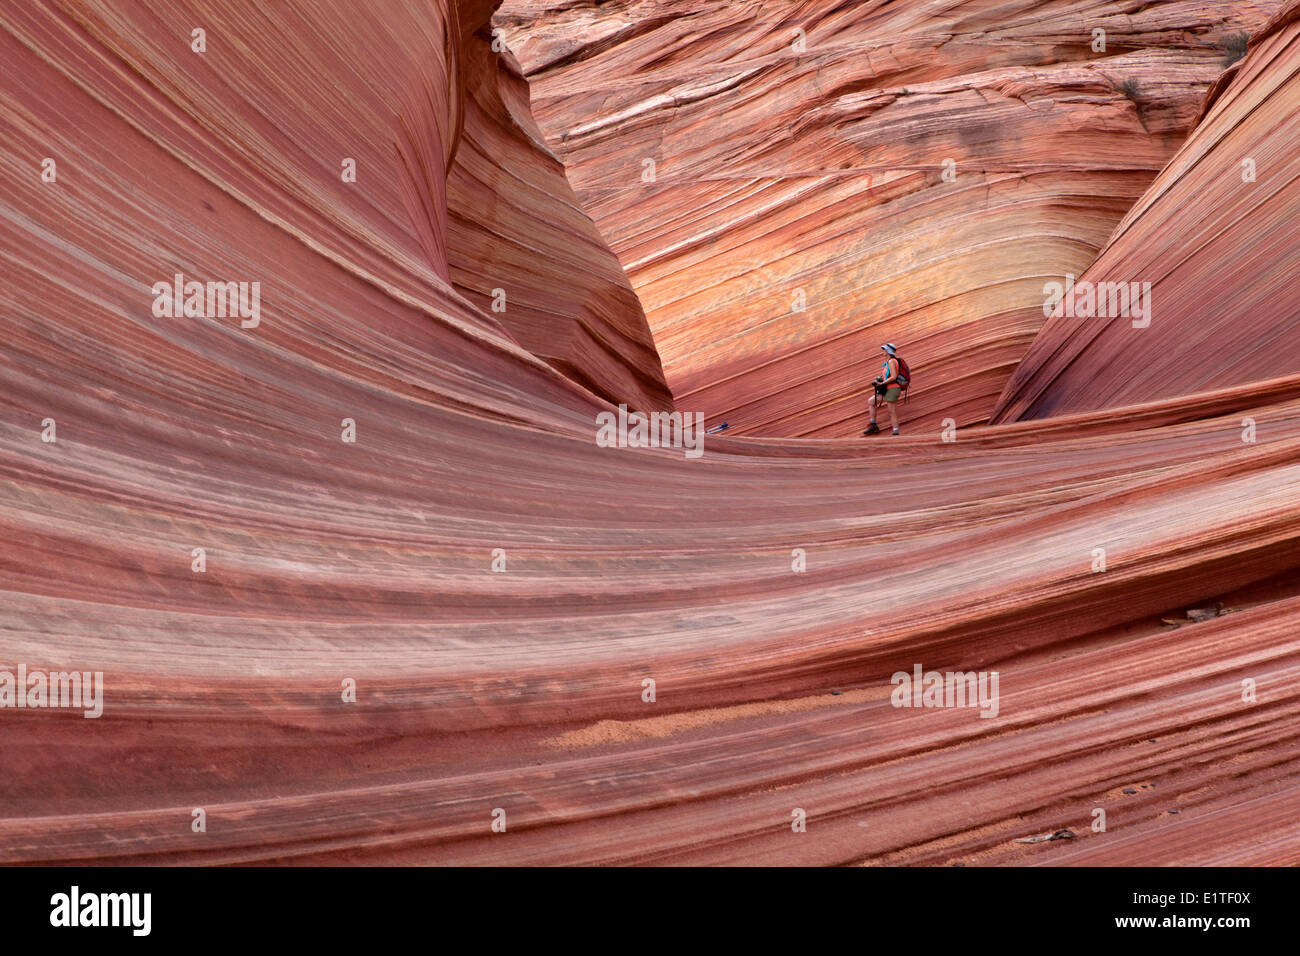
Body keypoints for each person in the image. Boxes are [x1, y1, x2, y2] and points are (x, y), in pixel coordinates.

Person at [863, 343, 903, 436]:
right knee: (871, 401)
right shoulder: (888, 362)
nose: (883, 351)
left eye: (884, 350)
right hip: (888, 389)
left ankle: (896, 432)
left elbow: (893, 377)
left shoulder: (892, 361)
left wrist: (881, 383)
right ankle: (873, 424)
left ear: (888, 351)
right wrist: (879, 380)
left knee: (891, 411)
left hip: (893, 388)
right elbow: (887, 376)